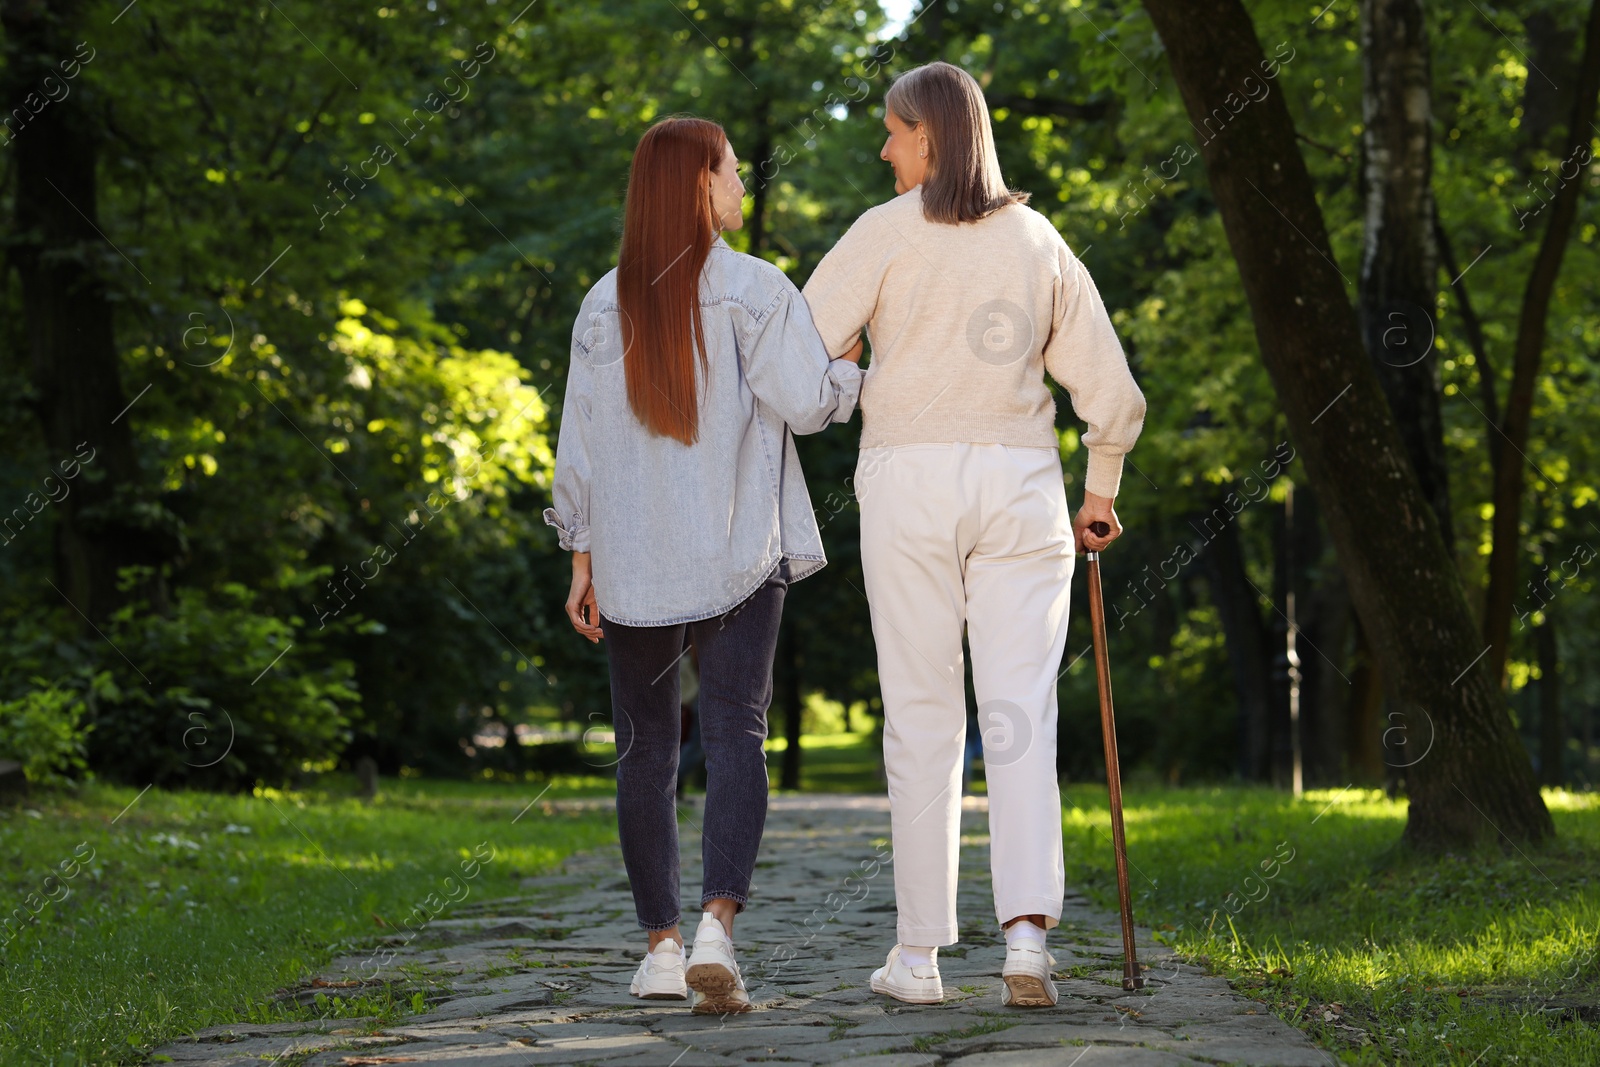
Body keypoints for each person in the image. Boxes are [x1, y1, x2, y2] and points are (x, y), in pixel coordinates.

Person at [801, 62, 1147, 1008]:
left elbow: (798, 354)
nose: (883, 149)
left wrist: (851, 367)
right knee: (1021, 714)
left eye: (892, 131)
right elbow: (1112, 394)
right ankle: (1027, 943)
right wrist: (1100, 489)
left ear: (933, 136)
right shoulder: (1038, 240)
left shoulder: (880, 234)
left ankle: (917, 958)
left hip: (908, 480)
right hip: (1022, 486)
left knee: (922, 715)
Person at [544, 116, 861, 1014]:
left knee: (643, 752)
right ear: (698, 185)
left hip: (635, 556)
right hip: (738, 551)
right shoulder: (757, 290)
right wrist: (849, 373)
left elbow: (582, 446)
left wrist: (581, 552)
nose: (742, 188)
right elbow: (805, 405)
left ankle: (660, 947)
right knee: (735, 735)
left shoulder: (603, 301)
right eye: (730, 173)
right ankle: (719, 925)